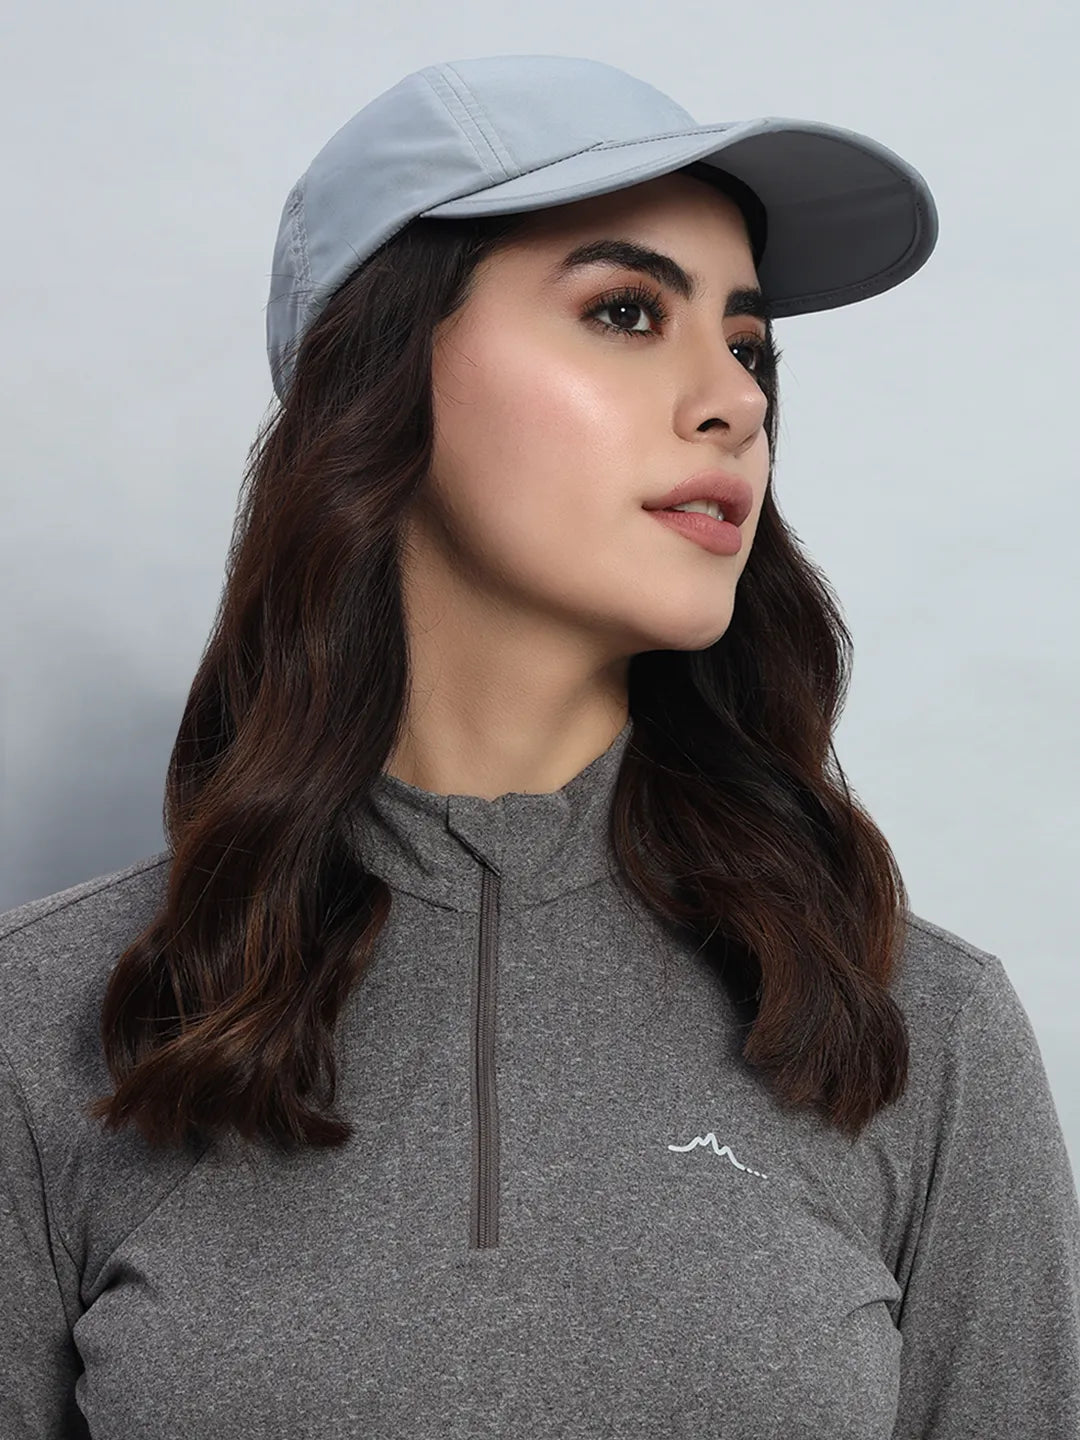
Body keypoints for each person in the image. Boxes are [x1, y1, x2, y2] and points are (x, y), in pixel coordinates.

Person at [1, 52, 1077, 1440]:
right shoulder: (49, 1021)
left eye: (750, 346)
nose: (736, 400)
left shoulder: (915, 1029)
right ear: (379, 374)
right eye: (627, 311)